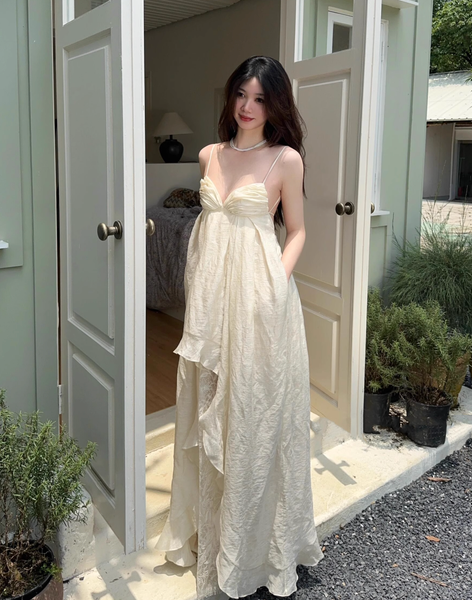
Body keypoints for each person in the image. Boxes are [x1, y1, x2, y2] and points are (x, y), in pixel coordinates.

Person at [155, 55, 324, 600]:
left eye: (260, 98)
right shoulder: (209, 155)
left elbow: (297, 231)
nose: (248, 107)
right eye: (241, 95)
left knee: (253, 418)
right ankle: (213, 534)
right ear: (231, 98)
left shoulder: (285, 160)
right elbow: (210, 236)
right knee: (208, 411)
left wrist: (274, 286)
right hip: (210, 310)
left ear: (276, 105)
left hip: (261, 308)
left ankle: (253, 549)